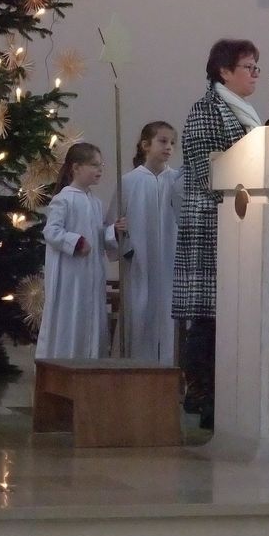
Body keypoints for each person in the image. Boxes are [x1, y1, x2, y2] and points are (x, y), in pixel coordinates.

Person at [173, 38, 262, 428]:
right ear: (224, 71)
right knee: (209, 317)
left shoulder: (244, 111)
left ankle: (223, 394)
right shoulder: (206, 109)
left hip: (238, 221)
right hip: (212, 221)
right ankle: (201, 393)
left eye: (257, 67)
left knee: (229, 316)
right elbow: (209, 167)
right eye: (248, 67)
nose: (255, 75)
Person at [35, 143, 126, 360]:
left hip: (91, 277)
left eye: (100, 165)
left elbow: (98, 236)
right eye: (94, 165)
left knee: (90, 320)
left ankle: (90, 366)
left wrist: (113, 230)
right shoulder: (63, 199)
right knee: (70, 319)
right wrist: (75, 242)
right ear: (76, 167)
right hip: (70, 278)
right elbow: (52, 231)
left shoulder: (95, 202)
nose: (100, 170)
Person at [111, 121, 181, 365]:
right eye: (162, 141)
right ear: (145, 145)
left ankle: (169, 376)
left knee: (169, 320)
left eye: (172, 142)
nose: (169, 147)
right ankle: (134, 374)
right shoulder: (129, 182)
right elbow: (111, 228)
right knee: (139, 316)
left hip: (171, 264)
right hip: (141, 264)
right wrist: (117, 233)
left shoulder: (178, 181)